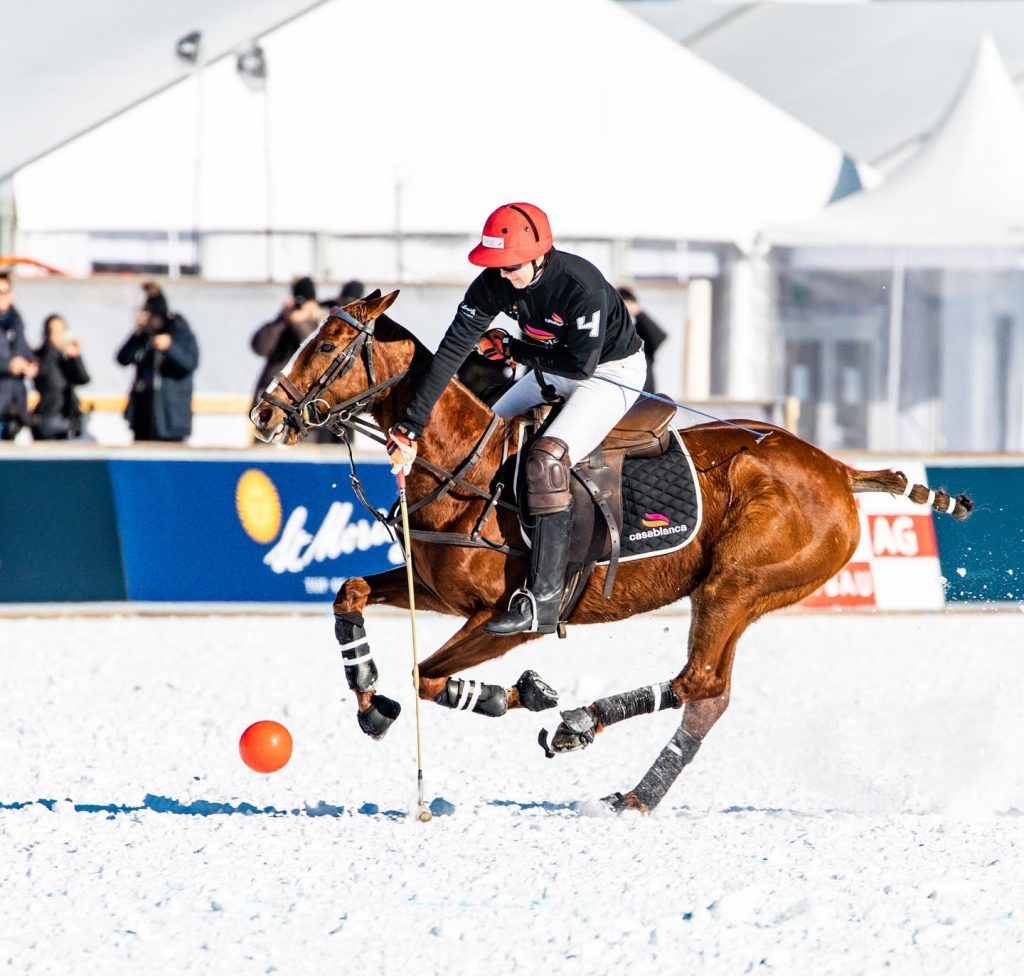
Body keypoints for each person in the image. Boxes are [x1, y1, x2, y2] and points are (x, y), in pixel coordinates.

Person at [385, 202, 647, 635]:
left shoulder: (581, 285)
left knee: (545, 460)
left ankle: (542, 599)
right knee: (480, 442)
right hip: (548, 368)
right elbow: (450, 351)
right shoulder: (493, 283)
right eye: (497, 267)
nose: (503, 276)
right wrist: (411, 425)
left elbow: (580, 365)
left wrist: (513, 350)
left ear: (540, 255)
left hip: (608, 373)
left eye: (511, 267)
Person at [251, 276, 333, 443]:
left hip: (304, 405)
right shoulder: (283, 322)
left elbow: (313, 348)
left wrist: (301, 322)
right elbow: (260, 347)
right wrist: (283, 319)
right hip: (273, 403)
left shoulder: (321, 323)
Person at [116, 282, 199, 443]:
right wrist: (137, 335)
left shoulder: (179, 331)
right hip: (143, 416)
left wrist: (169, 348)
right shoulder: (144, 337)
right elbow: (122, 359)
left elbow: (189, 363)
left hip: (170, 418)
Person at [31, 314, 91, 440]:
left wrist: (75, 357)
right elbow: (41, 377)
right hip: (49, 415)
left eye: (61, 330)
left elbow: (83, 379)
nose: (58, 335)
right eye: (54, 331)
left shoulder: (65, 358)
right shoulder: (42, 355)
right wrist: (51, 348)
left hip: (69, 413)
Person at [0, 274, 38, 441]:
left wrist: (31, 364)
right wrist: (8, 365)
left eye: (4, 291)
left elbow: (24, 350)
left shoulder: (16, 321)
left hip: (14, 404)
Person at [618, 286, 667, 394]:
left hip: (643, 392)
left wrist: (637, 312)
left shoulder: (640, 331)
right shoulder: (615, 330)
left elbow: (658, 337)